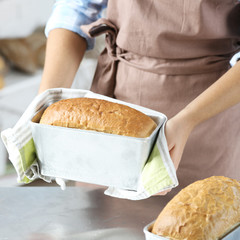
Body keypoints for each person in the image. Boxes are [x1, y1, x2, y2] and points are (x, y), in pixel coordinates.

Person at [38, 0, 240, 191]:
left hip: (209, 114)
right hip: (114, 106)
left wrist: (189, 119)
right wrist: (44, 102)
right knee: (99, 222)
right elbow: (76, 8)